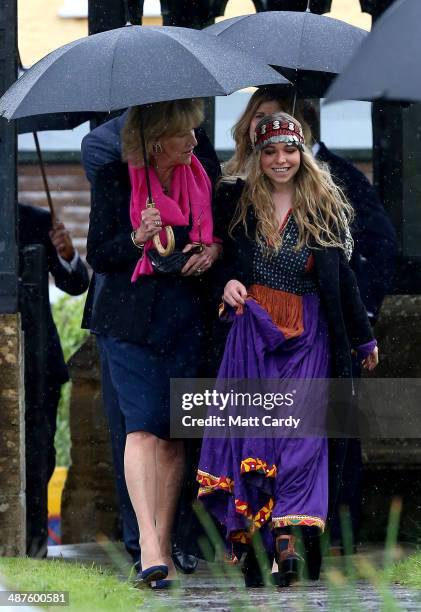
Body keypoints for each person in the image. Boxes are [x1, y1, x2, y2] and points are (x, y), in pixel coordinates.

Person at [196, 112, 378, 588]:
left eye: (290, 150)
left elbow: (344, 281)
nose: (282, 159)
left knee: (302, 440)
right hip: (252, 336)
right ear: (257, 155)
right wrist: (227, 282)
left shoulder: (325, 206)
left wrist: (364, 337)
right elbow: (216, 261)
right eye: (271, 151)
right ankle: (260, 543)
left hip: (309, 336)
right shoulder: (235, 202)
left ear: (303, 152)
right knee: (259, 437)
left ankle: (289, 539)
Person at [83, 98, 221, 588]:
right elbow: (99, 253)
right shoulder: (113, 179)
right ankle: (148, 545)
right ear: (158, 138)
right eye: (186, 133)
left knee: (172, 432)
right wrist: (139, 237)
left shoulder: (202, 168)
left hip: (186, 318)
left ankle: (163, 539)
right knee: (140, 428)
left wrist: (212, 250)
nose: (195, 141)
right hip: (128, 322)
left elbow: (219, 227)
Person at [299, 100, 397, 551]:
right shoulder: (255, 186)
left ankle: (340, 528)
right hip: (286, 327)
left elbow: (379, 243)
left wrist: (362, 316)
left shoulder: (341, 176)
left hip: (333, 325)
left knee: (337, 423)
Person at [18, 204, 89, 557]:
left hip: (37, 360)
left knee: (40, 452)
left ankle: (34, 541)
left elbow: (76, 283)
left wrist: (67, 253)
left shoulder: (36, 220)